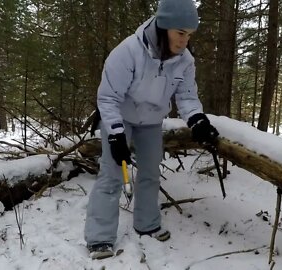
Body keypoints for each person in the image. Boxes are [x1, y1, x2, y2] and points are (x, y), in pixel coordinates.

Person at [84, 0, 219, 260]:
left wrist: (197, 120)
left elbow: (187, 97)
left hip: (152, 121)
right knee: (112, 176)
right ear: (163, 25)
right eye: (180, 33)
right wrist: (114, 134)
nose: (184, 41)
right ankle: (99, 238)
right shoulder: (128, 52)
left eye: (189, 35)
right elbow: (108, 98)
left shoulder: (184, 61)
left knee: (150, 173)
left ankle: (146, 223)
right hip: (120, 117)